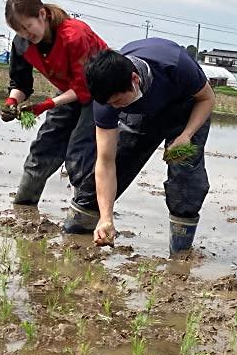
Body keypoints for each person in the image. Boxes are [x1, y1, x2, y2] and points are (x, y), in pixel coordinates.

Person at [84, 38, 215, 252]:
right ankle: (87, 225)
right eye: (111, 104)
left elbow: (207, 98)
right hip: (142, 110)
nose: (115, 107)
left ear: (135, 79)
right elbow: (105, 162)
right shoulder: (107, 101)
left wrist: (186, 135)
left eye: (118, 102)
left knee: (186, 176)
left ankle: (180, 253)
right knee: (121, 158)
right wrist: (107, 217)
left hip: (187, 108)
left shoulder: (177, 65)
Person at [0, 0, 108, 232]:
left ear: (42, 15)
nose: (28, 35)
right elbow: (21, 83)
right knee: (43, 148)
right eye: (21, 31)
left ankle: (84, 221)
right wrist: (11, 101)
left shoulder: (74, 35)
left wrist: (45, 105)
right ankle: (23, 209)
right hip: (66, 92)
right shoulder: (22, 43)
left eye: (29, 27)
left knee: (79, 155)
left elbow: (85, 87)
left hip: (100, 92)